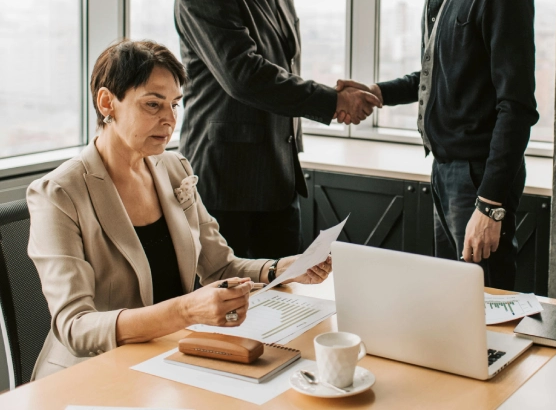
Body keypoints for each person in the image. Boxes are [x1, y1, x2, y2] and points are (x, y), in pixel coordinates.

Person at [26, 40, 331, 380]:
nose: (170, 120)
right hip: (91, 374)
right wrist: (186, 310)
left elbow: (220, 267)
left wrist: (278, 270)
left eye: (174, 105)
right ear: (106, 102)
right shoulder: (58, 193)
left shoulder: (174, 169)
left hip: (169, 358)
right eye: (153, 105)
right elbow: (75, 327)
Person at [337, 0, 538, 289]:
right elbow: (438, 73)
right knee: (452, 303)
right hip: (443, 172)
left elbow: (517, 106)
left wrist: (491, 205)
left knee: (488, 309)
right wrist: (378, 91)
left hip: (478, 180)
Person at [174, 0, 379, 260]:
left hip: (279, 178)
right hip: (229, 186)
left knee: (286, 295)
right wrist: (331, 101)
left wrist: (337, 96)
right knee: (236, 311)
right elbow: (245, 76)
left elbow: (282, 66)